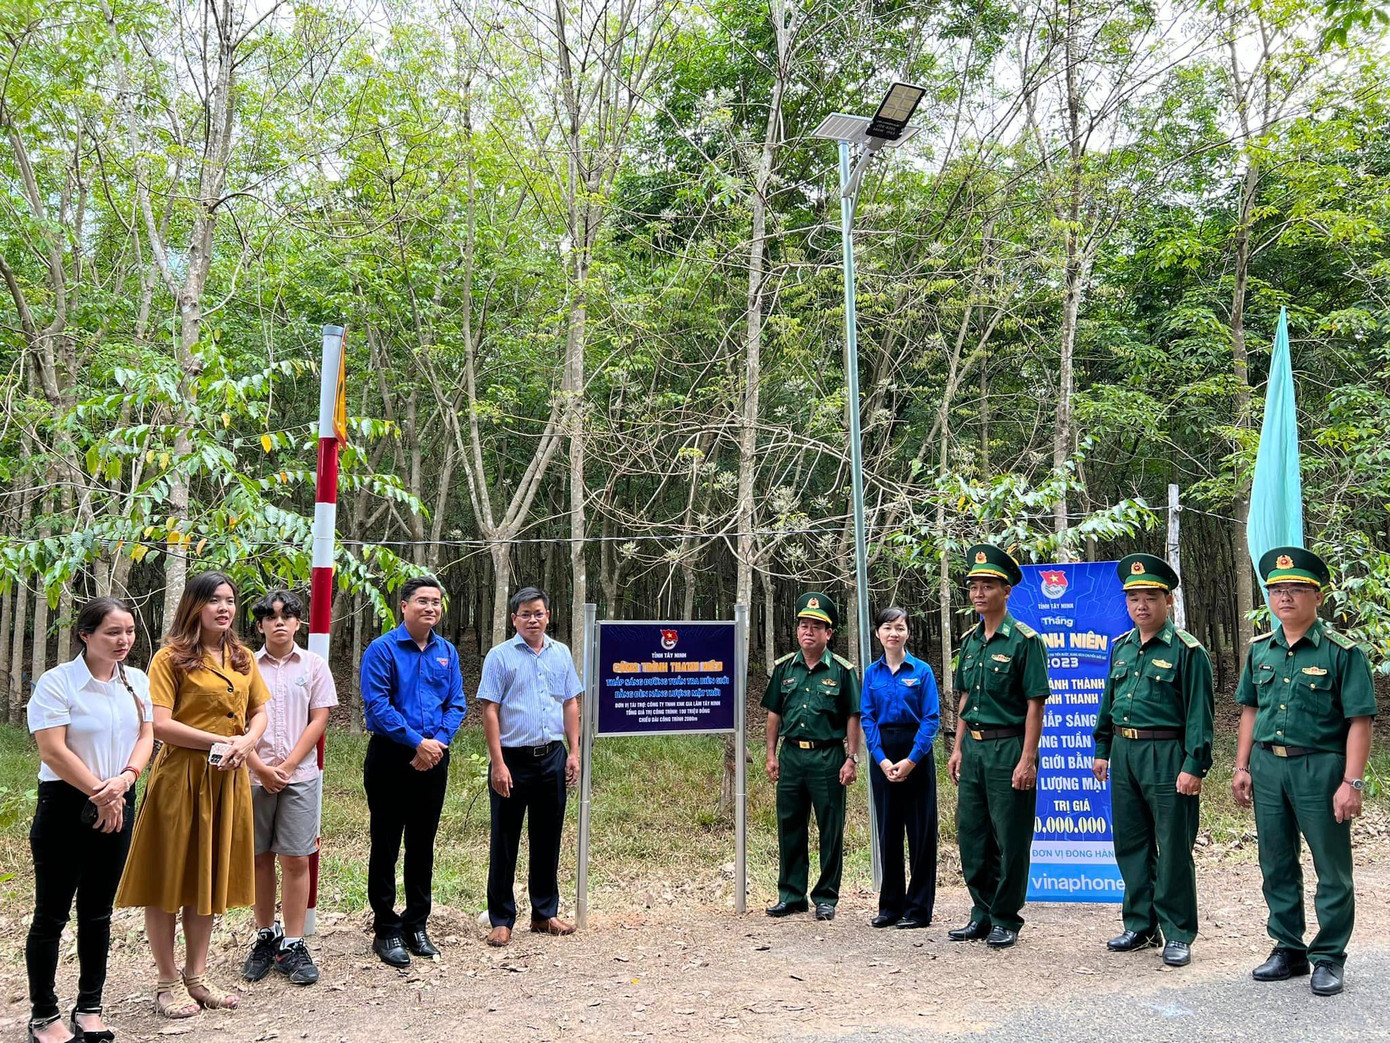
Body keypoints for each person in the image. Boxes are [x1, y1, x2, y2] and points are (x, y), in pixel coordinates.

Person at [116, 572, 270, 1018]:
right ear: (194, 605)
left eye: (230, 600)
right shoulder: (170, 658)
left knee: (207, 878)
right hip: (180, 779)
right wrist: (219, 743)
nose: (224, 608)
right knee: (169, 880)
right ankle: (166, 982)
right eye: (214, 600)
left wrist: (246, 742)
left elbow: (260, 710)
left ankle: (196, 976)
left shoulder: (241, 658)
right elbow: (160, 724)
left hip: (228, 780)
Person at [1232, 547, 1376, 997]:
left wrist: (1352, 782)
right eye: (1277, 589)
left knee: (1330, 866)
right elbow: (1250, 710)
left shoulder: (1341, 652)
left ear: (1317, 596)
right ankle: (1288, 947)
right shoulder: (1260, 651)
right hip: (1268, 766)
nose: (1285, 597)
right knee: (1275, 861)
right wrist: (1241, 766)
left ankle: (1329, 954)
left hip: (1320, 767)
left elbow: (1360, 720)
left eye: (1296, 589)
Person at [26, 598, 154, 1043]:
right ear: (86, 634)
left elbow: (146, 734)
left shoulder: (136, 681)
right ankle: (44, 1014)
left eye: (130, 632)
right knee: (52, 914)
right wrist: (101, 792)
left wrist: (124, 781)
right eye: (112, 633)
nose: (124, 641)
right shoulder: (58, 682)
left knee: (98, 912)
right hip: (66, 804)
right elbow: (53, 751)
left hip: (121, 796)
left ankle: (90, 1007)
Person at [1091, 554, 1214, 968]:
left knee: (1174, 846)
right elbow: (1108, 705)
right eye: (1133, 598)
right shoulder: (1121, 649)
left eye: (1150, 597)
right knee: (1131, 843)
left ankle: (1178, 932)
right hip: (1125, 754)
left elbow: (1199, 714)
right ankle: (1141, 925)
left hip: (1167, 755)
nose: (1141, 606)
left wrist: (1194, 765)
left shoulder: (1187, 651)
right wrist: (1102, 749)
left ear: (1168, 602)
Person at [946, 544, 1050, 949]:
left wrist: (1028, 759)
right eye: (973, 586)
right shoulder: (970, 642)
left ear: (1006, 591)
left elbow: (1034, 704)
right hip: (972, 749)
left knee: (1011, 837)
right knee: (973, 836)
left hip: (1008, 749)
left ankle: (1006, 917)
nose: (978, 593)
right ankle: (982, 912)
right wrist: (956, 749)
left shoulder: (1025, 641)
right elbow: (965, 699)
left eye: (987, 586)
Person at [360, 575, 466, 967]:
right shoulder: (382, 649)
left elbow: (456, 703)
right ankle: (386, 929)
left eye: (436, 602)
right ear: (403, 606)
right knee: (386, 844)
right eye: (422, 601)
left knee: (422, 844)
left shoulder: (447, 653)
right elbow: (377, 705)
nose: (431, 608)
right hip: (391, 756)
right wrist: (416, 742)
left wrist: (435, 743)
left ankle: (416, 923)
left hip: (434, 757)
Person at [241, 590, 337, 986]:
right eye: (271, 616)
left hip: (299, 778)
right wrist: (261, 767)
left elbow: (319, 719)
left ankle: (294, 942)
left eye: (287, 615)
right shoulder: (244, 665)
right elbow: (234, 723)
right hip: (251, 774)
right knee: (260, 858)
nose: (279, 622)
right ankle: (266, 935)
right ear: (260, 624)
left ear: (299, 622)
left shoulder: (313, 665)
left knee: (296, 858)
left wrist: (289, 764)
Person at [478, 586, 583, 947]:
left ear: (548, 616)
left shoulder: (561, 654)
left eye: (538, 613)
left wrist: (574, 751)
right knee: (505, 840)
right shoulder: (500, 656)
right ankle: (502, 918)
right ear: (514, 619)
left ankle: (544, 913)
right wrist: (498, 763)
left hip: (552, 756)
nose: (532, 619)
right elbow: (489, 709)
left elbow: (570, 702)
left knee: (547, 837)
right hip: (512, 760)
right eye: (525, 614)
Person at [762, 592, 862, 921]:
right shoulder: (783, 669)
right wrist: (771, 755)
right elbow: (774, 714)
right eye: (803, 626)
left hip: (828, 758)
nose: (808, 631)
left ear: (828, 634)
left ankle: (826, 897)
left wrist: (852, 758)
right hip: (791, 757)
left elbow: (853, 716)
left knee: (830, 828)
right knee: (790, 826)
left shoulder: (843, 671)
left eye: (816, 627)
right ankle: (791, 895)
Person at [861, 606, 940, 930]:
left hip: (916, 754)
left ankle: (919, 909)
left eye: (900, 628)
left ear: (908, 632)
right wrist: (880, 758)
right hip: (884, 756)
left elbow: (931, 718)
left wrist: (911, 760)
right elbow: (867, 717)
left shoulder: (921, 672)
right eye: (887, 628)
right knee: (888, 832)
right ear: (878, 633)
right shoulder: (871, 674)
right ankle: (890, 906)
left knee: (921, 834)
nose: (893, 633)